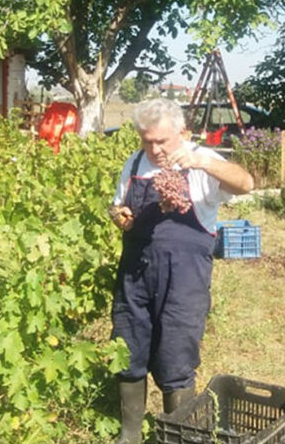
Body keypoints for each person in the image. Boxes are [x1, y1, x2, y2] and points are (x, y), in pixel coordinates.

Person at [107, 98, 254, 444]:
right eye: (148, 141)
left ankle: (176, 435)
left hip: (184, 278)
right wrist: (119, 217)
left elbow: (246, 183)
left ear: (182, 133)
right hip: (135, 272)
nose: (155, 149)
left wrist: (202, 161)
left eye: (162, 141)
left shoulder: (201, 162)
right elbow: (118, 207)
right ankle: (129, 434)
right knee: (128, 347)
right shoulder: (134, 164)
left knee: (176, 354)